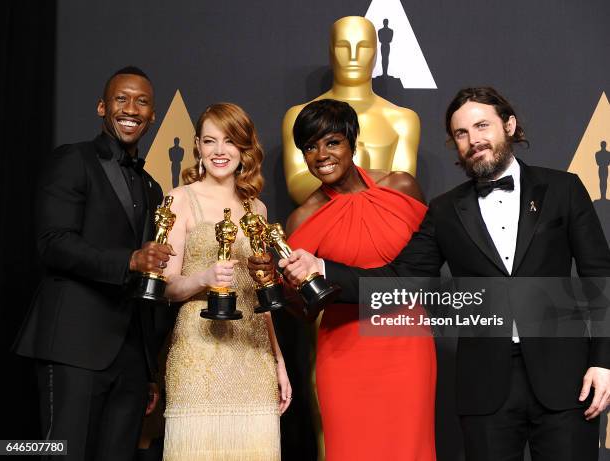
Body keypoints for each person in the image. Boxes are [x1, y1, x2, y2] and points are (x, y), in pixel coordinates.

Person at [282, 87, 610, 461]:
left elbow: (599, 276)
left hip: (567, 382)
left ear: (509, 125)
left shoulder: (562, 189)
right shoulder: (445, 210)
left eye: (482, 126)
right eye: (461, 134)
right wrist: (322, 268)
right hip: (486, 389)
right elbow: (402, 280)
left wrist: (603, 362)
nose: (474, 141)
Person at [253, 99, 436, 460]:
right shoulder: (302, 218)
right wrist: (269, 283)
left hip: (407, 347)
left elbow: (424, 270)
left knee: (408, 449)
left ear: (353, 141)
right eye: (310, 147)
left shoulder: (401, 186)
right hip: (344, 353)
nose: (321, 154)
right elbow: (304, 310)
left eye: (332, 142)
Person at [14, 66, 175, 460]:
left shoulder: (152, 186)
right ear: (102, 107)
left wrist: (149, 369)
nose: (131, 109)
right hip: (74, 346)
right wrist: (131, 260)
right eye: (121, 99)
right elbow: (53, 244)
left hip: (131, 360)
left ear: (153, 115)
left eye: (142, 101)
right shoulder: (73, 160)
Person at [161, 102, 291, 461]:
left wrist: (278, 362)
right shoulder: (179, 200)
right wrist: (204, 278)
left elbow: (261, 292)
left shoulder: (257, 209)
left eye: (230, 141)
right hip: (198, 353)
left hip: (252, 352)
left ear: (245, 147)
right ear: (198, 147)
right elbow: (169, 287)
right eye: (210, 141)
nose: (220, 151)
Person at [282, 16, 420, 204]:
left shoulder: (403, 120)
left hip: (385, 226)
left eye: (363, 47)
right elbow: (297, 186)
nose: (353, 56)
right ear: (330, 52)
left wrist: (349, 179)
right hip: (324, 225)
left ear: (376, 53)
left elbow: (402, 189)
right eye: (342, 47)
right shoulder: (298, 115)